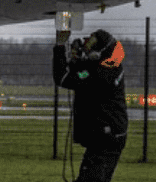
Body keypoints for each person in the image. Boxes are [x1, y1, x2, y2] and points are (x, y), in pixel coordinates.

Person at [53, 29, 128, 182]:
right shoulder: (110, 66)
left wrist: (60, 46)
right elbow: (85, 72)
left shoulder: (100, 74)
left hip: (105, 137)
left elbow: (64, 78)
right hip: (110, 135)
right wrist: (77, 60)